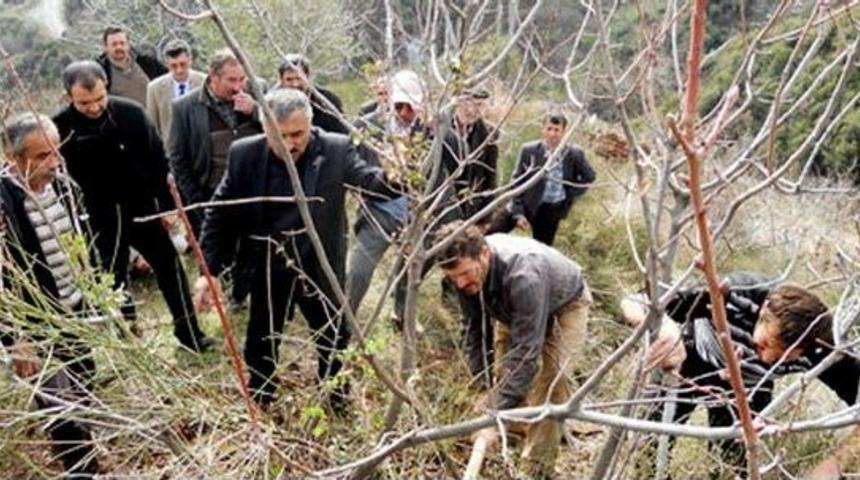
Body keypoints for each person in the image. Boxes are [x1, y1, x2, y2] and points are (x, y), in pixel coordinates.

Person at [195, 88, 400, 408]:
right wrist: (208, 271)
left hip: (318, 264)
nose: (292, 143)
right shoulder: (244, 154)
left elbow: (369, 180)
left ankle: (335, 398)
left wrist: (396, 176)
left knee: (334, 336)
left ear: (310, 124)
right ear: (265, 129)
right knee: (262, 338)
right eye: (283, 136)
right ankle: (262, 398)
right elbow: (220, 211)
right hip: (269, 263)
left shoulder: (334, 148)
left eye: (299, 133)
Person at [622, 272, 860, 477]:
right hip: (691, 359)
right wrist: (667, 328)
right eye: (764, 345)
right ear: (763, 313)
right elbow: (634, 301)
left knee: (734, 466)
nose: (766, 359)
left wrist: (835, 464)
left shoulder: (820, 347)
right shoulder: (737, 292)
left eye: (782, 359)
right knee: (651, 445)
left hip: (750, 388)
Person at [52, 60, 213, 352]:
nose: (94, 107)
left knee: (170, 268)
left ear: (107, 88)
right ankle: (130, 336)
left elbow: (157, 162)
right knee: (113, 279)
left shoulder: (131, 114)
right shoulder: (59, 128)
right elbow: (57, 181)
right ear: (68, 97)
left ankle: (188, 331)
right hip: (97, 215)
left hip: (142, 208)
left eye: (99, 99)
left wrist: (166, 208)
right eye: (84, 103)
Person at [437, 220, 592, 479]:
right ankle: (512, 432)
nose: (461, 283)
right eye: (454, 277)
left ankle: (536, 466)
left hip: (566, 304)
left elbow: (527, 354)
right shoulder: (463, 276)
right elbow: (473, 329)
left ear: (484, 252)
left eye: (465, 273)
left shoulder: (524, 274)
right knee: (503, 374)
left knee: (554, 379)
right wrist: (483, 386)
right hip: (512, 308)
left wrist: (491, 410)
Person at [0, 113, 100, 477]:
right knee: (60, 405)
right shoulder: (4, 203)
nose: (54, 162)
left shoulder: (64, 186)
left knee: (84, 382)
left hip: (75, 311)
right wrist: (15, 338)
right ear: (13, 157)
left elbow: (82, 243)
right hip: (37, 323)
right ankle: (81, 470)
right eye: (42, 156)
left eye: (56, 151)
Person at [168, 49, 262, 237]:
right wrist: (199, 204)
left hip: (257, 193)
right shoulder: (185, 107)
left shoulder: (257, 92)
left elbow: (279, 130)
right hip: (213, 197)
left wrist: (256, 111)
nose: (238, 87)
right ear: (213, 76)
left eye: (242, 79)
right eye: (231, 80)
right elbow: (178, 161)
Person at [493, 112, 595, 245]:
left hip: (551, 210)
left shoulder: (574, 153)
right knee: (492, 234)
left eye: (557, 130)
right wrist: (518, 212)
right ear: (543, 129)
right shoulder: (529, 150)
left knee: (542, 249)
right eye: (549, 129)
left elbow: (590, 177)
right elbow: (517, 181)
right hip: (527, 202)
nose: (552, 134)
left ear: (564, 131)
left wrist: (568, 193)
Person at [444, 88, 499, 225]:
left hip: (469, 209)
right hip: (440, 205)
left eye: (478, 105)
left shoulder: (488, 135)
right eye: (466, 103)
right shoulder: (440, 128)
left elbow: (489, 178)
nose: (471, 110)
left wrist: (484, 219)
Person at [146, 38, 205, 145]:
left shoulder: (204, 82)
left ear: (190, 60)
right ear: (166, 64)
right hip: (171, 149)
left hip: (200, 147)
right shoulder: (154, 88)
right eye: (174, 66)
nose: (179, 70)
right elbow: (153, 126)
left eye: (183, 64)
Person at [278, 53, 349, 134]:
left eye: (299, 78)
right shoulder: (273, 105)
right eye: (289, 79)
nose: (295, 84)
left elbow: (342, 136)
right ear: (281, 80)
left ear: (308, 77)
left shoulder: (327, 101)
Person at [96, 25, 166, 107]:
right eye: (114, 44)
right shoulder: (101, 72)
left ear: (128, 44)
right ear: (105, 47)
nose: (119, 47)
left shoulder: (146, 62)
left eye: (122, 43)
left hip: (152, 117)